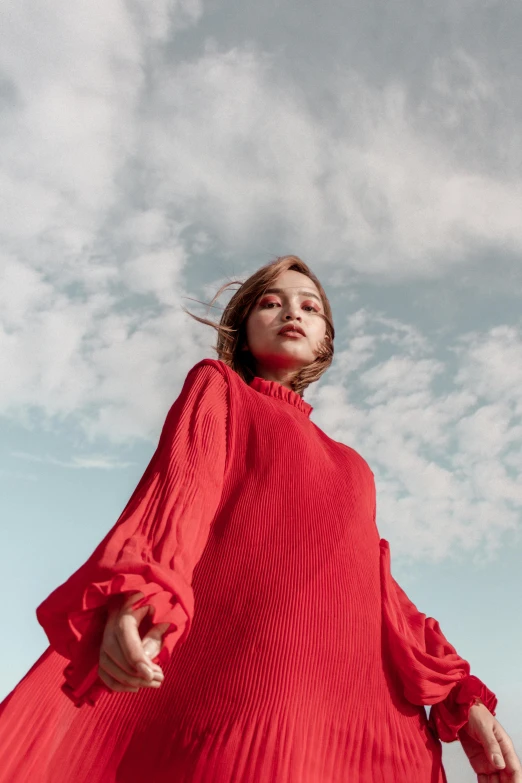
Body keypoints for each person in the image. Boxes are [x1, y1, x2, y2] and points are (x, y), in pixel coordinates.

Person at [0, 255, 520, 783]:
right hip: (253, 693)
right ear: (244, 331)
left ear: (324, 341)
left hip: (368, 718)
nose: (292, 311)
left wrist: (460, 695)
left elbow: (381, 589)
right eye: (271, 303)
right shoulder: (219, 388)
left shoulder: (354, 465)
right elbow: (181, 493)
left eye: (309, 306)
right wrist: (141, 595)